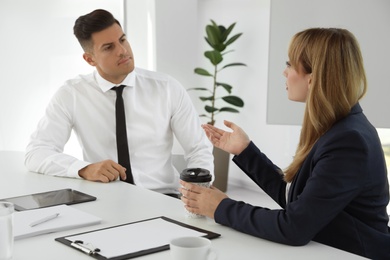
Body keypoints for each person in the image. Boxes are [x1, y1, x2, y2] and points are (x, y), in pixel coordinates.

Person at [180, 28, 390, 259]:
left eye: (290, 64)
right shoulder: (339, 127)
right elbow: (298, 202)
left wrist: (220, 207)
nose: (284, 72)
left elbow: (294, 228)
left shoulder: (348, 142)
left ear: (312, 77)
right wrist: (245, 151)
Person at [25, 9, 213, 196]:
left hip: (163, 197)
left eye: (122, 40)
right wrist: (84, 169)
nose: (122, 51)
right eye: (109, 47)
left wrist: (198, 192)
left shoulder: (167, 88)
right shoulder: (72, 94)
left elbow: (198, 148)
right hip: (105, 200)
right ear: (90, 59)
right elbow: (36, 153)